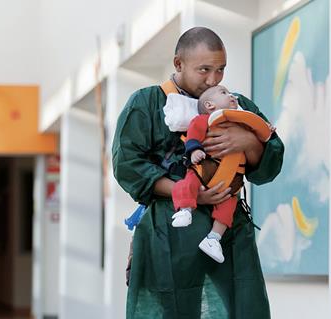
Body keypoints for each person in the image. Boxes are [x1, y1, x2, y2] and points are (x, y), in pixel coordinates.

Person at [112, 27, 284, 318]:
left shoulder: (235, 104)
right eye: (204, 69)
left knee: (243, 306)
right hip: (169, 231)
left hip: (228, 231)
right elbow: (127, 165)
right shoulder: (146, 104)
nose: (213, 79)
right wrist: (191, 194)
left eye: (220, 70)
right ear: (178, 63)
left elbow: (269, 163)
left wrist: (249, 142)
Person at [171, 85, 275, 264]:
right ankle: (184, 209)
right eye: (224, 93)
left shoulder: (243, 125)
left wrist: (267, 131)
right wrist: (194, 150)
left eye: (230, 92)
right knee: (187, 184)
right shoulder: (206, 120)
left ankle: (213, 239)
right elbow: (193, 134)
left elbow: (261, 136)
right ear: (210, 105)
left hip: (231, 182)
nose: (231, 95)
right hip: (205, 170)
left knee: (228, 209)